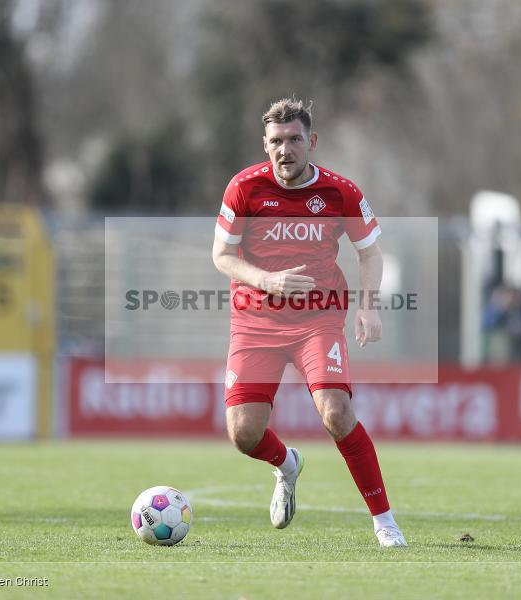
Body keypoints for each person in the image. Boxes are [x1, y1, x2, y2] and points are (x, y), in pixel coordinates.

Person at [211, 98, 406, 547]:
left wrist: (368, 305)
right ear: (265, 144)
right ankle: (287, 465)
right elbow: (221, 255)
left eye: (295, 140)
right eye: (276, 142)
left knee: (336, 413)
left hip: (317, 320)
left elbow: (370, 253)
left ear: (311, 142)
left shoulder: (340, 193)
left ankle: (385, 522)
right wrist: (266, 280)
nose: (285, 150)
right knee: (244, 434)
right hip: (255, 322)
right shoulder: (243, 189)